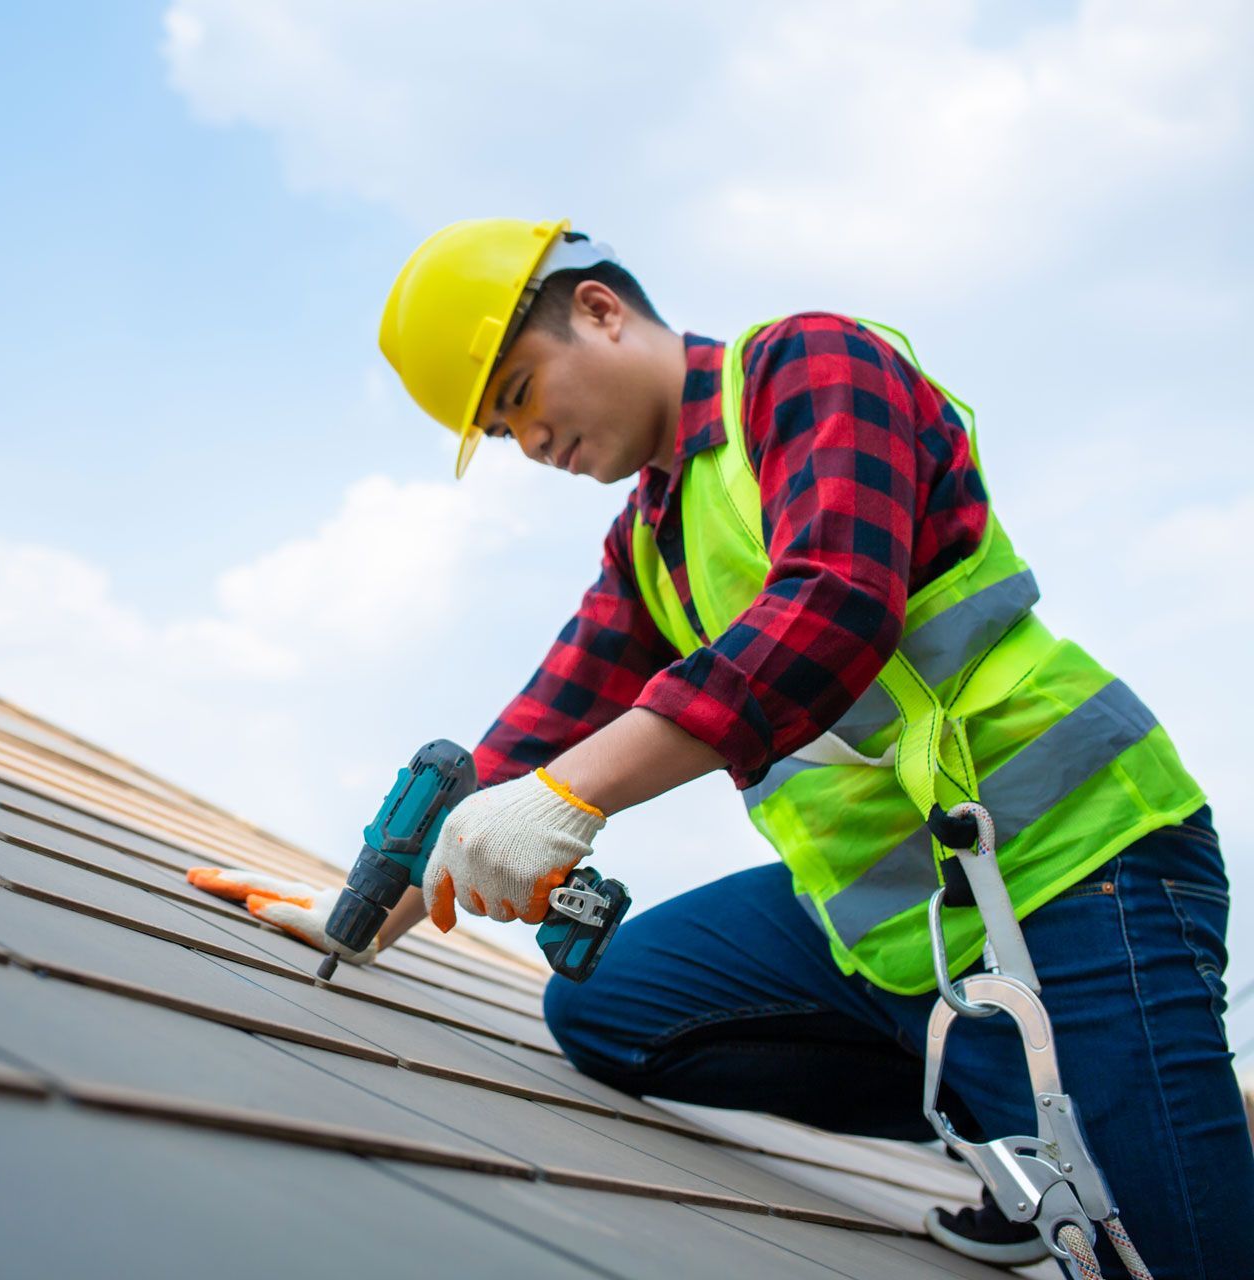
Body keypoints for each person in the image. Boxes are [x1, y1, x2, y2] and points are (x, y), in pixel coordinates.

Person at [187, 218, 1250, 1277]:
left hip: (1077, 868)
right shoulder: (652, 537)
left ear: (598, 311)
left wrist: (576, 794)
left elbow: (834, 603)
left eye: (517, 393)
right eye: (503, 434)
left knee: (1170, 1259)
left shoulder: (809, 365)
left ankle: (1097, 1115)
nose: (531, 442)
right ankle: (1007, 1101)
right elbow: (537, 729)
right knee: (603, 1007)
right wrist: (374, 908)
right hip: (897, 929)